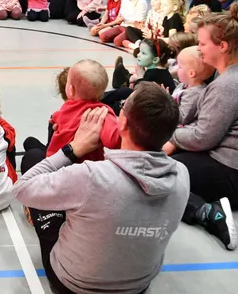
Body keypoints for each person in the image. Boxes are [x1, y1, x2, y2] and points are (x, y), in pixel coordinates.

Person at [14, 86, 190, 294]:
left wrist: (73, 148)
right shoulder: (181, 174)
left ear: (122, 122)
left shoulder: (91, 176)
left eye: (122, 107)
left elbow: (21, 189)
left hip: (74, 285)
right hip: (138, 286)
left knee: (34, 156)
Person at [164, 6, 238, 250]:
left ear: (222, 46)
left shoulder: (229, 84)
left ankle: (208, 213)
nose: (199, 48)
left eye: (203, 44)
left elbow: (203, 137)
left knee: (157, 172)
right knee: (168, 161)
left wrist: (171, 138)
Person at [22, 60, 119, 169]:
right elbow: (113, 141)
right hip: (86, 168)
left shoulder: (66, 108)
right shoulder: (102, 112)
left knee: (31, 150)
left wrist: (55, 119)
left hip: (55, 163)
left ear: (70, 90)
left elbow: (59, 116)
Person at [173, 46, 215, 126]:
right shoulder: (183, 85)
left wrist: (166, 102)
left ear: (191, 73)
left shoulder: (195, 94)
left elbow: (181, 117)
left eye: (179, 66)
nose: (176, 69)